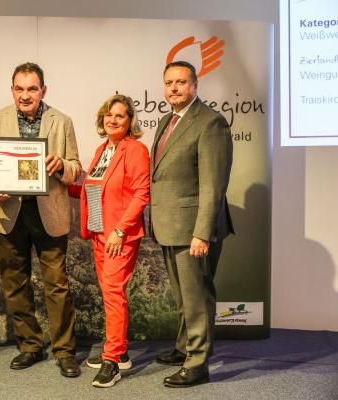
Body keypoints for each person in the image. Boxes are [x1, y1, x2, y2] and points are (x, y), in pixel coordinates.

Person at [0, 62, 82, 378]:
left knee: (57, 284)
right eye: (20, 88)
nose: (25, 95)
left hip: (49, 211)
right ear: (12, 89)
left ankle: (65, 351)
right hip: (9, 213)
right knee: (15, 283)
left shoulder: (62, 121)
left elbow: (76, 168)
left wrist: (61, 166)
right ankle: (29, 345)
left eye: (32, 88)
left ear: (43, 90)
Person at [150, 61, 233, 388]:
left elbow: (214, 185)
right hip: (169, 225)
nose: (173, 88)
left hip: (193, 229)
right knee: (184, 297)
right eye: (169, 82)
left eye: (181, 82)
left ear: (195, 86)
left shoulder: (211, 123)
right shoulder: (165, 122)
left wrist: (202, 232)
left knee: (197, 299)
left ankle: (197, 364)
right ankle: (185, 348)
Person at [69, 94, 150, 388]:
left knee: (114, 294)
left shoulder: (136, 149)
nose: (113, 120)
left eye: (120, 116)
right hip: (98, 234)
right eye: (109, 115)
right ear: (102, 119)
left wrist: (120, 230)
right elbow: (93, 190)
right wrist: (57, 183)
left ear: (129, 122)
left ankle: (112, 361)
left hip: (119, 236)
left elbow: (142, 193)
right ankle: (121, 351)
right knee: (110, 295)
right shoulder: (103, 149)